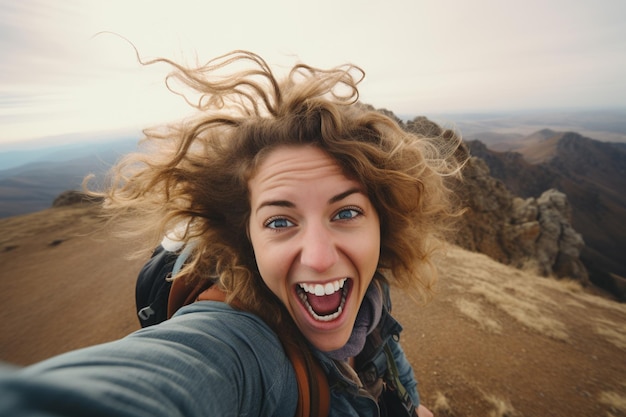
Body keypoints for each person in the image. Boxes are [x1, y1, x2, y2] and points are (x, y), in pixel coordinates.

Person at [0, 50, 464, 416]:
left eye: (345, 214)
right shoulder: (241, 346)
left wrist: (410, 405)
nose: (321, 258)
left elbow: (385, 352)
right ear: (247, 239)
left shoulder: (367, 293)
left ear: (382, 225)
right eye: (280, 222)